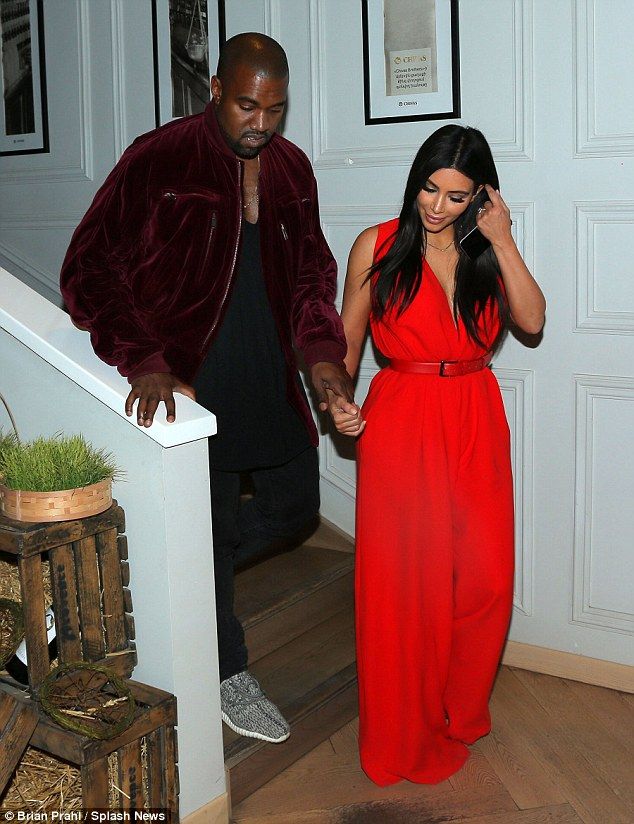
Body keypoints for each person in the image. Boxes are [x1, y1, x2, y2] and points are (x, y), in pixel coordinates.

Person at [60, 33, 358, 745]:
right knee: (214, 523)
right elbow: (89, 268)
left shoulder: (292, 168)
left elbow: (311, 273)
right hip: (191, 386)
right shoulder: (158, 157)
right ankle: (228, 672)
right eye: (248, 106)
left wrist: (323, 356)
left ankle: (178, 572)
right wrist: (143, 358)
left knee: (294, 511)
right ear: (216, 90)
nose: (261, 124)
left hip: (268, 375)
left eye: (275, 109)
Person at [327, 125, 545, 784]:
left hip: (476, 413)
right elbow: (346, 343)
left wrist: (503, 239)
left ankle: (459, 709)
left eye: (456, 196)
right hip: (403, 416)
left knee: (487, 580)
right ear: (415, 181)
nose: (437, 206)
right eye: (429, 188)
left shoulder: (486, 250)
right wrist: (338, 401)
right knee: (404, 589)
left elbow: (533, 321)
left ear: (480, 196)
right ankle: (402, 732)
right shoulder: (378, 245)